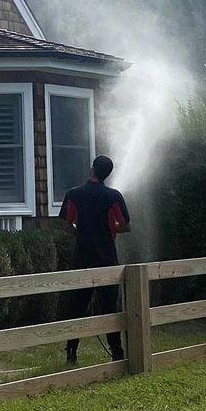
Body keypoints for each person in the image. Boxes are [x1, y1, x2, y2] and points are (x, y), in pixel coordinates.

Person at [59, 154, 131, 364]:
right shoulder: (114, 196)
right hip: (107, 261)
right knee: (110, 308)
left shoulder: (74, 194)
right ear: (108, 173)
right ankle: (117, 353)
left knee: (76, 308)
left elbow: (65, 224)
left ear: (92, 169)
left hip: (82, 261)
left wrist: (80, 231)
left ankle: (71, 352)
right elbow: (126, 225)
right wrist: (109, 229)